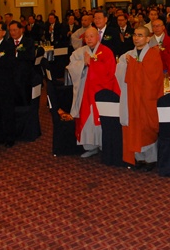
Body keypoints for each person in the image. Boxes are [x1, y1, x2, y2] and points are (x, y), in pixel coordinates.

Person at [66, 27, 120, 158]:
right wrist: (83, 64)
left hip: (101, 91)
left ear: (98, 37)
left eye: (92, 36)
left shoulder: (106, 52)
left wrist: (92, 64)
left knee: (100, 119)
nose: (89, 39)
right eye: (87, 37)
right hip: (84, 91)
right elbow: (71, 66)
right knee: (87, 119)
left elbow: (110, 72)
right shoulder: (80, 52)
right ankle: (90, 146)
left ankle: (103, 145)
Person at [115, 26, 163, 167]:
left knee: (146, 128)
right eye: (135, 35)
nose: (136, 38)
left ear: (148, 39)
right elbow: (118, 72)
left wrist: (133, 65)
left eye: (140, 35)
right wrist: (126, 65)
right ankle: (138, 157)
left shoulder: (153, 54)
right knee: (133, 126)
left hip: (146, 98)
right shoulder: (128, 54)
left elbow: (153, 78)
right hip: (131, 97)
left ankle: (150, 159)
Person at [8, 19, 36, 107]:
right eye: (10, 30)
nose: (12, 33)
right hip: (11, 76)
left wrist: (16, 54)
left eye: (14, 30)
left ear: (21, 30)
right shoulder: (8, 42)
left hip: (25, 75)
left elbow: (31, 57)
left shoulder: (28, 42)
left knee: (25, 101)